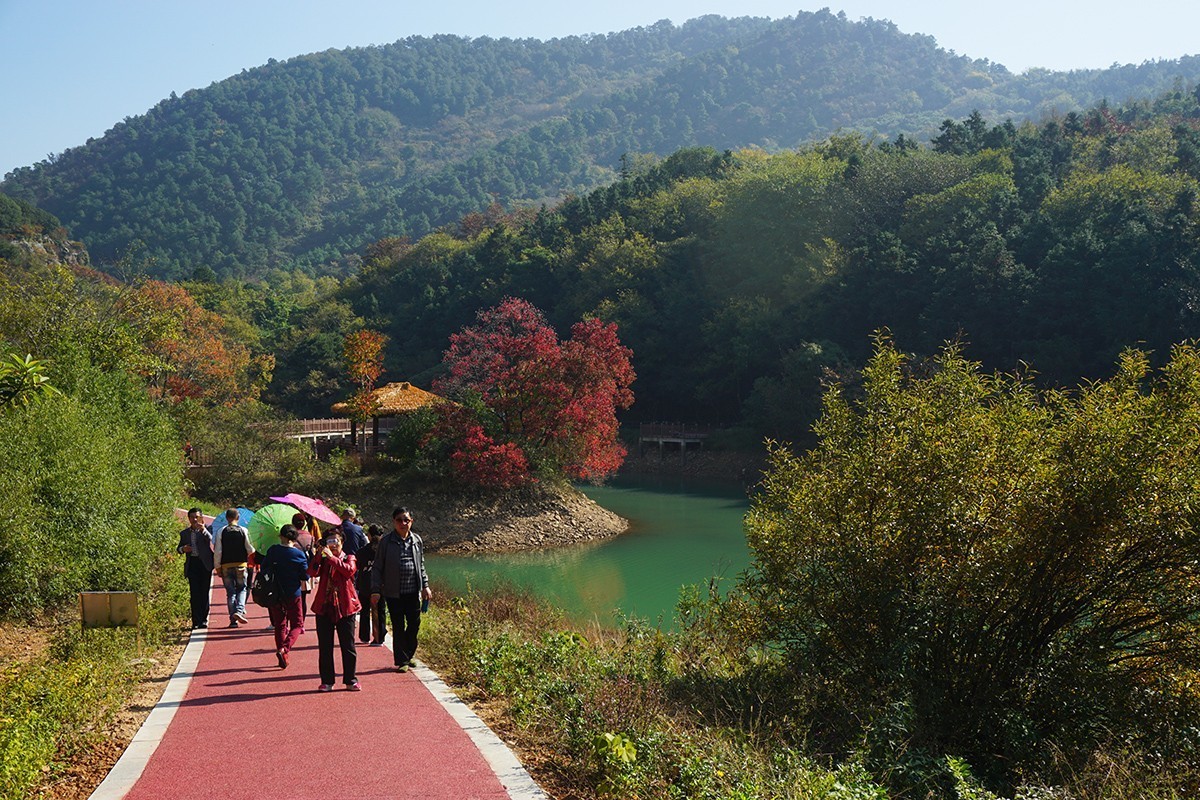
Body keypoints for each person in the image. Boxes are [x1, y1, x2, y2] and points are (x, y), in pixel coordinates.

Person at [371, 507, 432, 673]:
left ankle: (409, 653)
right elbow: (377, 567)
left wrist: (425, 586)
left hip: (413, 591)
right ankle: (402, 660)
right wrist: (375, 589)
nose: (403, 523)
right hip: (393, 593)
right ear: (394, 522)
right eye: (399, 520)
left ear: (411, 521)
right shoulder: (386, 542)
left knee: (414, 624)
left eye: (406, 520)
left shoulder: (416, 540)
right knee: (398, 626)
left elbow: (421, 565)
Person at [308, 529, 362, 691]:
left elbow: (349, 571)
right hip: (324, 607)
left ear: (342, 542)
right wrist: (319, 555)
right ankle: (327, 680)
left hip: (346, 607)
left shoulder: (349, 557)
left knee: (348, 645)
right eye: (329, 541)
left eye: (335, 541)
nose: (332, 545)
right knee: (325, 646)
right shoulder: (323, 560)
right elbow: (311, 572)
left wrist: (331, 558)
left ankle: (350, 680)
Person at [261, 524, 310, 669]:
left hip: (275, 592)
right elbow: (305, 576)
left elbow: (264, 568)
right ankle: (285, 649)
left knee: (280, 625)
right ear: (295, 538)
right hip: (293, 593)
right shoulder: (299, 554)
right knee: (297, 624)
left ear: (280, 536)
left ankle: (281, 654)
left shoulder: (273, 550)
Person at [213, 508, 255, 628]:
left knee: (230, 593)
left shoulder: (221, 531)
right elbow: (250, 549)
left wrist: (217, 567)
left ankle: (233, 620)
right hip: (241, 565)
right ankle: (239, 611)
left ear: (227, 518)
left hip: (226, 566)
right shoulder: (244, 530)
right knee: (242, 588)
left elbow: (218, 551)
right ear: (238, 518)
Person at [177, 508, 214, 630]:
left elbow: (212, 541)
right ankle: (196, 621)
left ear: (201, 517)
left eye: (197, 517)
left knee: (204, 592)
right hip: (192, 564)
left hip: (205, 565)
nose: (194, 519)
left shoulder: (208, 529)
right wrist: (183, 549)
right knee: (194, 594)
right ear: (188, 518)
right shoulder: (184, 533)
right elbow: (178, 549)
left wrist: (203, 530)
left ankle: (203, 619)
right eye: (192, 517)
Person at [356, 524, 387, 645]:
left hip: (364, 584)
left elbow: (357, 567)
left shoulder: (361, 552)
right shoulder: (385, 551)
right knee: (380, 611)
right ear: (382, 536)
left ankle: (364, 636)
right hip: (380, 586)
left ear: (368, 535)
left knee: (364, 612)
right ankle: (379, 638)